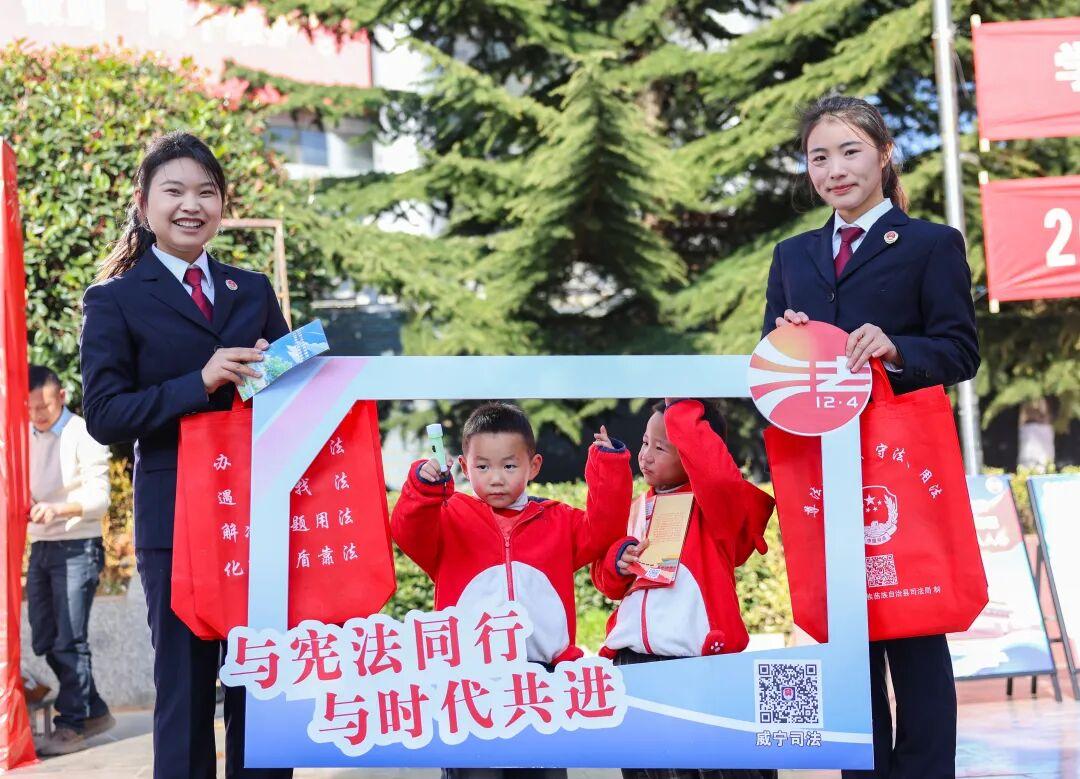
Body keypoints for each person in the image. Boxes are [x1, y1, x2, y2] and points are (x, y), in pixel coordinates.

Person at [762, 95, 979, 779]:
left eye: (850, 151)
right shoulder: (792, 256)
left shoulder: (930, 244)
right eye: (818, 157)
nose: (834, 170)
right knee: (848, 641)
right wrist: (788, 340)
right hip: (825, 471)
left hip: (900, 468)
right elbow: (770, 363)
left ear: (884, 155)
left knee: (914, 632)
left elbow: (960, 351)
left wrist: (896, 348)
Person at [79, 131, 292, 779]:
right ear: (144, 203)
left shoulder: (251, 289)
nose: (191, 205)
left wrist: (296, 368)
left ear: (223, 204)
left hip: (255, 517)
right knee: (185, 691)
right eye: (174, 191)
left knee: (263, 687)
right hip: (176, 524)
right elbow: (105, 415)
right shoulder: (114, 299)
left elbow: (289, 397)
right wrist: (199, 382)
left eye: (206, 191)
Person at [391, 401, 632, 779]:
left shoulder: (559, 521)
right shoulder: (449, 518)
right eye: (483, 467)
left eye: (509, 466)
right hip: (468, 684)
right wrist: (424, 487)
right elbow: (408, 530)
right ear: (464, 465)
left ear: (533, 466)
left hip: (544, 680)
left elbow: (604, 529)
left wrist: (609, 464)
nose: (496, 478)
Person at [590, 398, 776, 779]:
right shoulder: (639, 507)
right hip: (633, 662)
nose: (645, 455)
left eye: (661, 448)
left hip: (694, 662)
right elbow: (606, 582)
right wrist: (617, 561)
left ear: (692, 454)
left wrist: (681, 408)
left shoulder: (715, 510)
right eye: (645, 442)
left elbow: (718, 477)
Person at [26, 365, 114, 755]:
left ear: (61, 396)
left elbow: (100, 498)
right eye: (30, 408)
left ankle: (72, 723)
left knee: (70, 640)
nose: (37, 415)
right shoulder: (23, 435)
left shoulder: (83, 432)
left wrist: (59, 509)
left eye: (44, 406)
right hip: (41, 545)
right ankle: (94, 709)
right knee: (45, 638)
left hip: (78, 544)